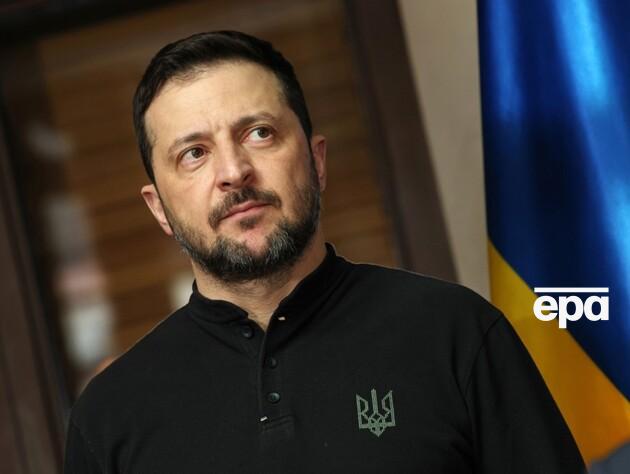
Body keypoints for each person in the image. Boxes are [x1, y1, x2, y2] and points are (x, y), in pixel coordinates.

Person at [63, 30, 585, 473]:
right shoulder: (109, 420)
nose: (233, 172)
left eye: (259, 133)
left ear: (316, 162)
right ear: (158, 208)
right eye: (194, 153)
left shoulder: (455, 331)